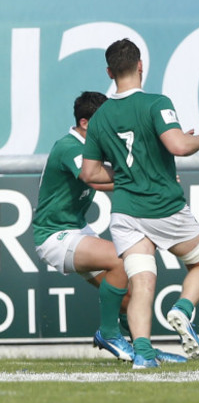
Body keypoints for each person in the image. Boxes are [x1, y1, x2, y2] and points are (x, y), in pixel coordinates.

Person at [80, 38, 199, 369]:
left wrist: (127, 177)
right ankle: (182, 309)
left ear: (109, 71)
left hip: (126, 213)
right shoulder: (157, 103)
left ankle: (143, 353)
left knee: (142, 282)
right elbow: (177, 146)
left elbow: (89, 173)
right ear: (140, 65)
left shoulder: (100, 118)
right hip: (165, 208)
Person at [32, 91, 140, 362]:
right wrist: (145, 180)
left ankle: (141, 345)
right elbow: (92, 177)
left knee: (131, 294)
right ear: (84, 123)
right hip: (54, 236)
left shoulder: (95, 143)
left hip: (78, 231)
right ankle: (109, 333)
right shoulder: (70, 146)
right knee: (121, 258)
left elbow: (132, 157)